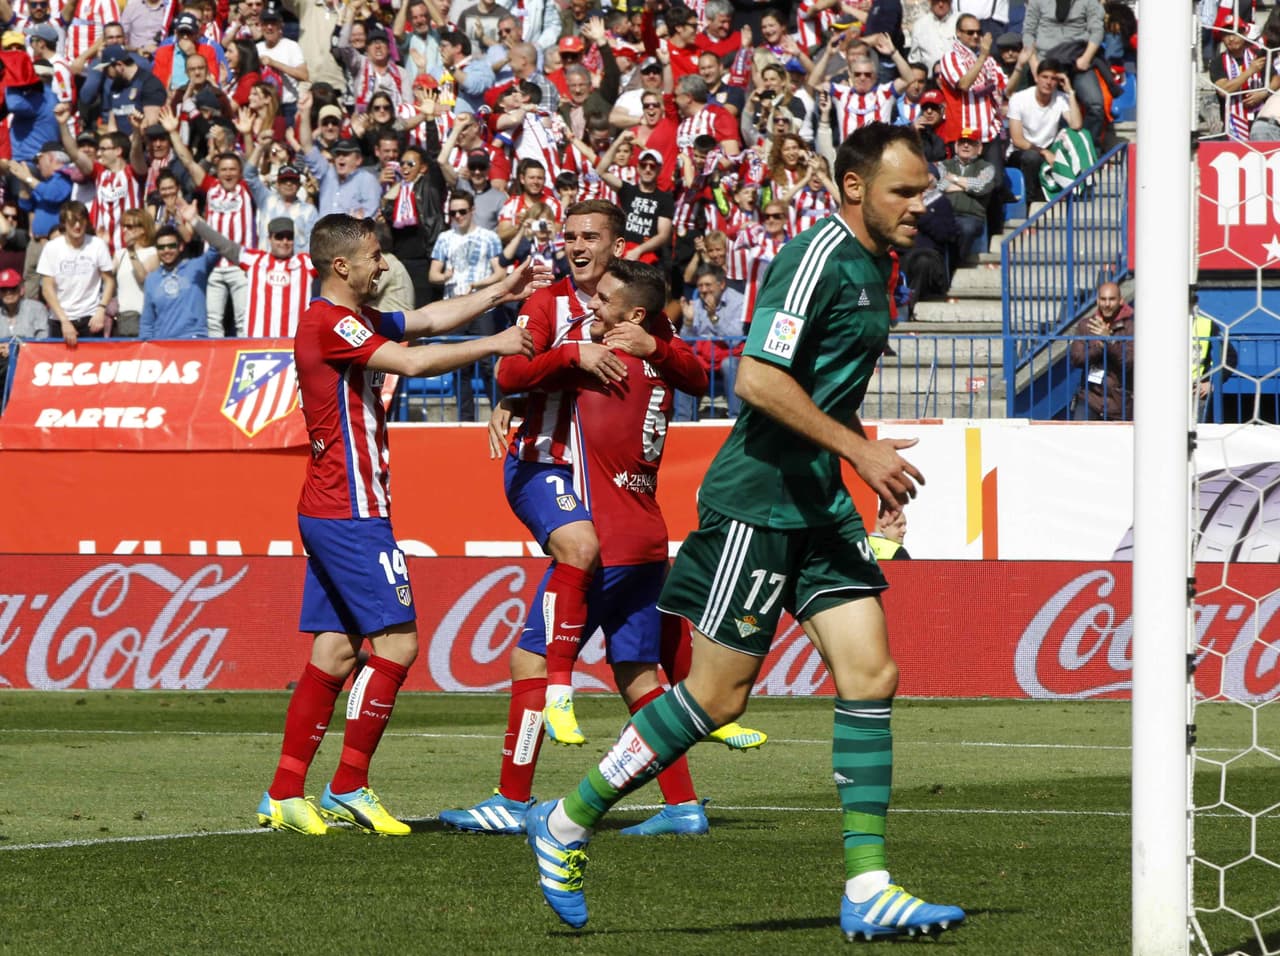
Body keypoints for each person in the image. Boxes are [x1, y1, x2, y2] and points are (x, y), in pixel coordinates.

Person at [523, 123, 966, 942]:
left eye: (923, 190)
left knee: (872, 676)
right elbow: (755, 378)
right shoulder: (816, 256)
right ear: (851, 187)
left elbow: (819, 385)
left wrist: (861, 455)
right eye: (903, 190)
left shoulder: (879, 264)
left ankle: (868, 885)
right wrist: (856, 450)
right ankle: (567, 819)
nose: (919, 204)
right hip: (758, 503)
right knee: (719, 696)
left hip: (819, 503)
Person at [255, 213, 542, 837]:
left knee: (333, 653)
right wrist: (498, 343)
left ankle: (283, 794)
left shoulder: (344, 322)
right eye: (374, 255)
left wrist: (499, 292)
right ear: (342, 266)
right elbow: (410, 365)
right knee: (399, 644)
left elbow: (428, 320)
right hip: (350, 513)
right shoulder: (328, 323)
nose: (383, 264)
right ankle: (349, 784)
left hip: (332, 508)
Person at [440, 259, 729, 838]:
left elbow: (516, 374)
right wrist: (653, 345)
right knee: (639, 674)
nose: (591, 308)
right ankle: (683, 805)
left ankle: (511, 797)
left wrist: (533, 382)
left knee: (530, 658)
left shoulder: (600, 362)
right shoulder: (657, 359)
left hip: (610, 541)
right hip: (650, 536)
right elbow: (697, 375)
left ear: (633, 316)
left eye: (604, 301)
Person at [186, 208, 319, 338]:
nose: (284, 242)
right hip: (257, 345)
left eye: (289, 237)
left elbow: (331, 257)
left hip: (293, 345)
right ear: (270, 239)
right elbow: (223, 245)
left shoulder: (305, 263)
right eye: (279, 237)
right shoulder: (255, 260)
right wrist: (195, 221)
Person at [1022, 0, 1106, 147]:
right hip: (1046, 60)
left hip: (1077, 59)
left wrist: (1086, 58)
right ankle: (1056, 150)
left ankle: (1089, 149)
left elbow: (1097, 30)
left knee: (1096, 104)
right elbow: (1028, 32)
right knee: (1048, 110)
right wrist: (1034, 63)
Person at [38, 201, 115, 346]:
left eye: (81, 221)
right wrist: (64, 321)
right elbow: (47, 288)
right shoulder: (51, 248)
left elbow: (109, 280)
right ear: (64, 223)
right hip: (59, 318)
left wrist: (101, 309)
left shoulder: (97, 245)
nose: (77, 226)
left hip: (90, 317)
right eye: (72, 221)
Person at [1006, 59, 1083, 202]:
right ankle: (1031, 204)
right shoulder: (1019, 99)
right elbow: (1017, 140)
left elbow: (1076, 125)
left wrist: (1071, 92)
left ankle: (1077, 189)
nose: (1049, 82)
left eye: (1054, 79)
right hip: (1021, 152)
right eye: (1045, 77)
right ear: (1036, 77)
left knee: (1079, 136)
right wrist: (1043, 152)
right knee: (1032, 158)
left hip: (1048, 149)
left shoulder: (1061, 98)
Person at [675, 263, 745, 421]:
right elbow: (686, 342)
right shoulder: (697, 302)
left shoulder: (739, 301)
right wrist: (688, 321)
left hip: (729, 354)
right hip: (704, 355)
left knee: (730, 365)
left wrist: (714, 318)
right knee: (684, 364)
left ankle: (736, 419)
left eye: (708, 285)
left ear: (721, 284)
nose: (704, 290)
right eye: (700, 285)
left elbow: (735, 339)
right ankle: (682, 421)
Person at [138, 224, 222, 338]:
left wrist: (195, 220)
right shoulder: (152, 279)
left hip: (193, 341)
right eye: (161, 247)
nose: (166, 250)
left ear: (181, 246)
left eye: (171, 246)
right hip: (163, 345)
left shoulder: (197, 266)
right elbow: (147, 322)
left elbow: (218, 245)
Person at [1068, 280, 1133, 421]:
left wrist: (1109, 342)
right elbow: (1076, 359)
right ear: (1097, 301)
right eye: (1103, 299)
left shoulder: (1131, 327)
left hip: (1120, 402)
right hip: (1090, 398)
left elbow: (1129, 362)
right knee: (1078, 437)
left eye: (1112, 299)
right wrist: (1099, 347)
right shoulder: (1086, 325)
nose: (1107, 304)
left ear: (1121, 301)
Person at [937, 126, 995, 260]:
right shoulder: (944, 165)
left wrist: (955, 179)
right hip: (945, 214)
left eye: (971, 143)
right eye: (962, 142)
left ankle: (955, 264)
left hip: (971, 216)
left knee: (966, 228)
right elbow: (939, 187)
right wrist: (968, 185)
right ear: (956, 146)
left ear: (979, 148)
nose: (966, 146)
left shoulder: (986, 167)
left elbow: (981, 187)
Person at [113, 208, 159, 336]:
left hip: (142, 317)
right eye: (123, 226)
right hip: (122, 318)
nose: (124, 230)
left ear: (143, 229)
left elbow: (142, 278)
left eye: (129, 226)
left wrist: (132, 251)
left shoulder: (153, 252)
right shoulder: (120, 254)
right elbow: (107, 277)